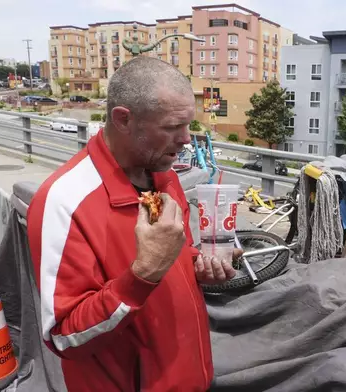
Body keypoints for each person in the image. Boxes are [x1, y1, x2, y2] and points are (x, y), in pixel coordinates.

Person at [27, 57, 239, 391]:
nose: (186, 139)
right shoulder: (64, 202)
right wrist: (144, 274)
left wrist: (198, 265)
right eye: (171, 128)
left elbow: (174, 257)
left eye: (188, 125)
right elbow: (65, 337)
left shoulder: (165, 179)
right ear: (123, 119)